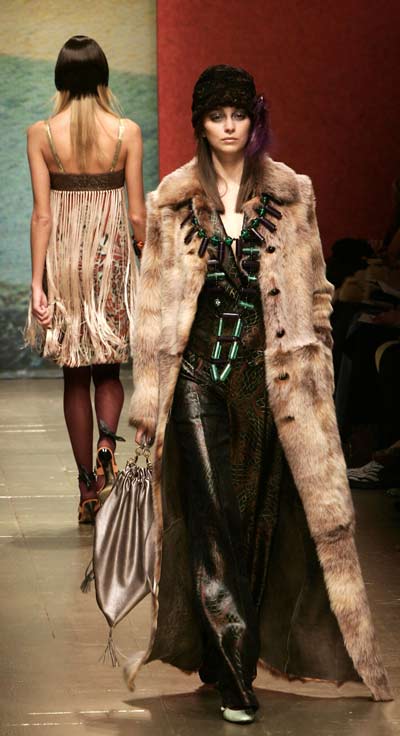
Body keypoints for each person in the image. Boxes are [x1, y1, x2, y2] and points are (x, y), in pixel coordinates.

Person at [128, 66, 392, 722]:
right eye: (216, 114)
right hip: (197, 378)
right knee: (212, 515)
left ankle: (223, 654)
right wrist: (149, 394)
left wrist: (317, 367)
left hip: (269, 382)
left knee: (255, 521)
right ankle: (236, 671)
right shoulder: (170, 201)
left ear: (253, 120)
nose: (227, 125)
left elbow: (319, 291)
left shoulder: (292, 195)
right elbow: (152, 305)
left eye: (238, 114)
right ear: (199, 122)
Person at [25, 36, 145, 523]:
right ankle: (106, 445)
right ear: (103, 76)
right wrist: (147, 266)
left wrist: (37, 282)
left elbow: (42, 215)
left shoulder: (41, 134)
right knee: (109, 370)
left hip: (66, 262)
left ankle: (85, 490)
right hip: (110, 256)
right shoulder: (126, 132)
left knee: (74, 374)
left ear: (59, 77)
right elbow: (136, 214)